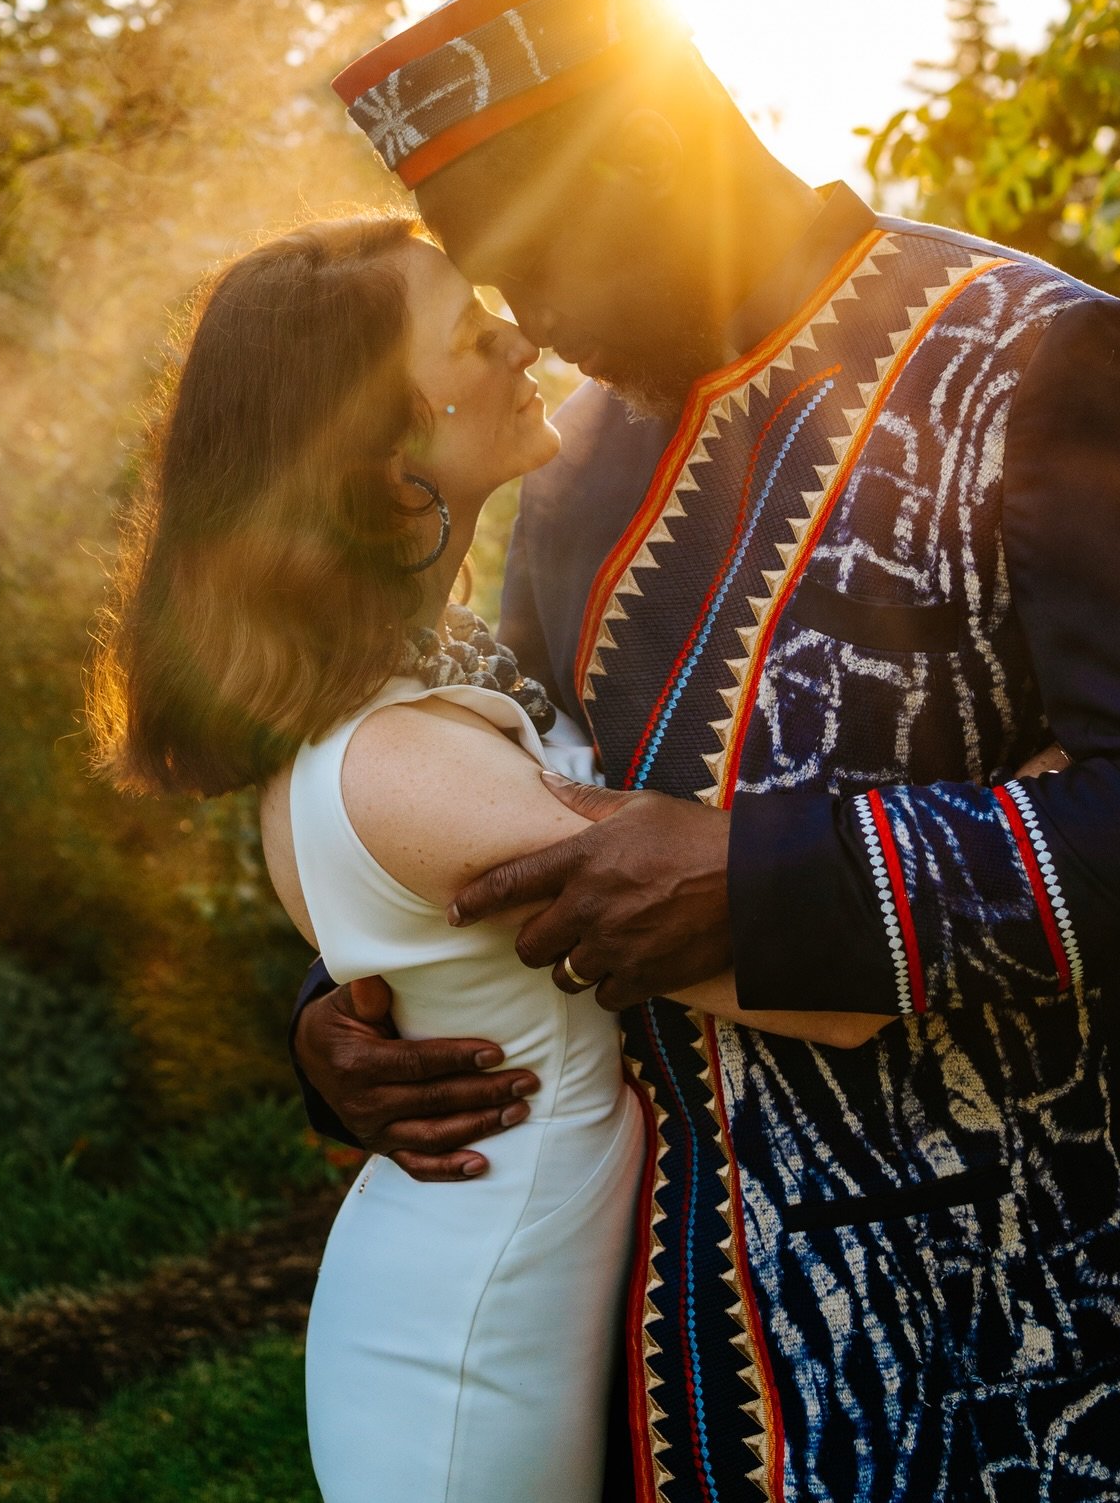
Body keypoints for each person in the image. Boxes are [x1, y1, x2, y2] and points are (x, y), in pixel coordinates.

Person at [293, 0, 1120, 1501]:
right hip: (672, 1396)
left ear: (653, 145)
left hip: (1036, 1382)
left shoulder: (1041, 363)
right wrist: (338, 1030)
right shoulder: (572, 461)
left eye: (540, 257)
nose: (528, 321)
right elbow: (484, 784)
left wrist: (770, 880)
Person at [88, 212, 905, 1503]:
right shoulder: (406, 761)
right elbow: (829, 989)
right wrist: (1045, 782)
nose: (522, 336)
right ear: (383, 454)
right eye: (474, 335)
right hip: (472, 1351)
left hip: (527, 1286)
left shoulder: (429, 666)